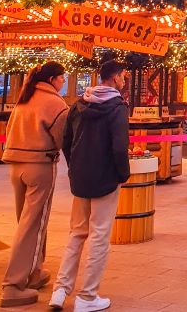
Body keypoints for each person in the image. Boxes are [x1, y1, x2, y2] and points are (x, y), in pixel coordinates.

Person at [49, 59, 130, 312]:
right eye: (123, 76)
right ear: (115, 78)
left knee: (76, 233)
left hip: (81, 177)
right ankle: (87, 296)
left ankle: (60, 290)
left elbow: (66, 140)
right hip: (105, 178)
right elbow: (119, 146)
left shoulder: (80, 103)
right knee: (99, 236)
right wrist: (122, 174)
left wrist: (75, 167)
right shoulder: (117, 108)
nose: (125, 80)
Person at [0, 61, 67, 307]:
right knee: (33, 225)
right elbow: (63, 138)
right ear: (52, 79)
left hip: (15, 164)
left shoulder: (24, 97)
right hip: (39, 165)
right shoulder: (55, 104)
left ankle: (34, 271)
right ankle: (13, 285)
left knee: (25, 222)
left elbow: (9, 130)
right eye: (62, 78)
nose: (63, 83)